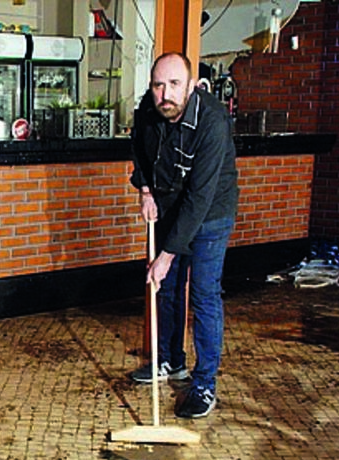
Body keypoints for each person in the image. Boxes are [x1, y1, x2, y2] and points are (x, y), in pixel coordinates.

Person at [128, 52, 239, 419]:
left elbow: (199, 197)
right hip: (168, 204)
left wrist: (165, 256)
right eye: (158, 85)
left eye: (174, 84)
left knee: (204, 294)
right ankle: (170, 361)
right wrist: (145, 190)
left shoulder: (213, 121)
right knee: (168, 290)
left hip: (210, 212)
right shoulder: (149, 109)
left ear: (190, 85)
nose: (165, 94)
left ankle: (204, 384)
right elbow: (139, 148)